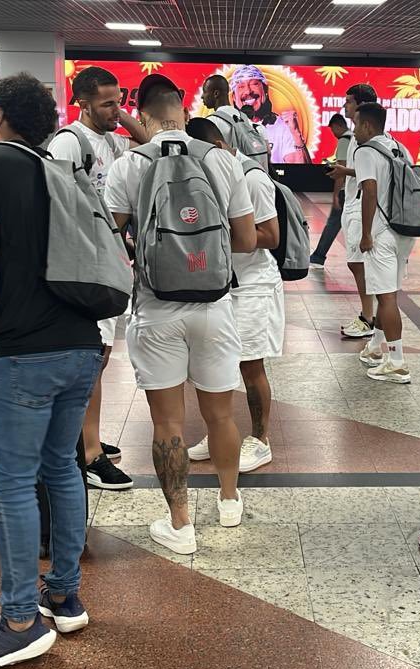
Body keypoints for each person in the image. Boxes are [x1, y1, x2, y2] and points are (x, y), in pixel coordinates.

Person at [0, 73, 102, 669]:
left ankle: (18, 619)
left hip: (22, 351)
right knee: (61, 466)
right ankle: (63, 595)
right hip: (79, 345)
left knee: (12, 483)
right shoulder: (60, 170)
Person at [103, 74, 257, 555]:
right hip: (215, 307)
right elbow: (249, 240)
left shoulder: (129, 165)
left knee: (167, 423)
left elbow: (110, 236)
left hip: (155, 309)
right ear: (185, 111)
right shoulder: (221, 160)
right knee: (220, 413)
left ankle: (181, 524)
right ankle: (230, 501)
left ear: (142, 114)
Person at [47, 64, 148, 492]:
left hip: (104, 263)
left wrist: (118, 115)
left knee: (98, 359)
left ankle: (85, 438)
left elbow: (149, 144)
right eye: (107, 103)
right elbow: (58, 208)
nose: (117, 110)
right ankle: (87, 454)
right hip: (82, 269)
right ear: (81, 103)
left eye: (120, 100)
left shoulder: (108, 139)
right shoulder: (68, 143)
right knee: (93, 359)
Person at [184, 117, 282, 473]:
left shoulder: (251, 177)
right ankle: (218, 432)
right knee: (214, 362)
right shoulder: (201, 176)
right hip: (220, 283)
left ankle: (260, 439)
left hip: (253, 284)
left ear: (219, 147)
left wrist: (220, 232)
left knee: (250, 364)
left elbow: (271, 235)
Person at [352, 102, 416, 384]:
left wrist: (366, 234)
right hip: (404, 231)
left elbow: (369, 191)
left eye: (355, 124)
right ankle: (378, 347)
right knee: (387, 292)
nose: (353, 131)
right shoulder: (399, 146)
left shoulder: (365, 151)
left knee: (386, 298)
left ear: (367, 125)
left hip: (382, 234)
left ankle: (397, 362)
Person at [327, 83, 380, 339]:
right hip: (353, 204)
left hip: (360, 207)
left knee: (358, 263)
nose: (345, 106)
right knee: (357, 263)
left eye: (348, 101)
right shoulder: (362, 137)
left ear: (360, 105)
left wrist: (344, 172)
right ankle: (370, 315)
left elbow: (371, 176)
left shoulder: (365, 138)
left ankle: (368, 317)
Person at [226, 65, 308, 163]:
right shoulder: (227, 127)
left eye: (254, 84)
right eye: (241, 86)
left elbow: (299, 171)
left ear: (265, 90)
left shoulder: (282, 126)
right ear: (234, 97)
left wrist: (295, 132)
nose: (248, 91)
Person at [310, 113, 352, 267]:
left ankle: (318, 256)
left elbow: (340, 170)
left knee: (333, 223)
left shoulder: (344, 140)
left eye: (333, 130)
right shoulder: (355, 139)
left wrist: (335, 195)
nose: (333, 134)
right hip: (355, 190)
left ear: (338, 126)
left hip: (345, 191)